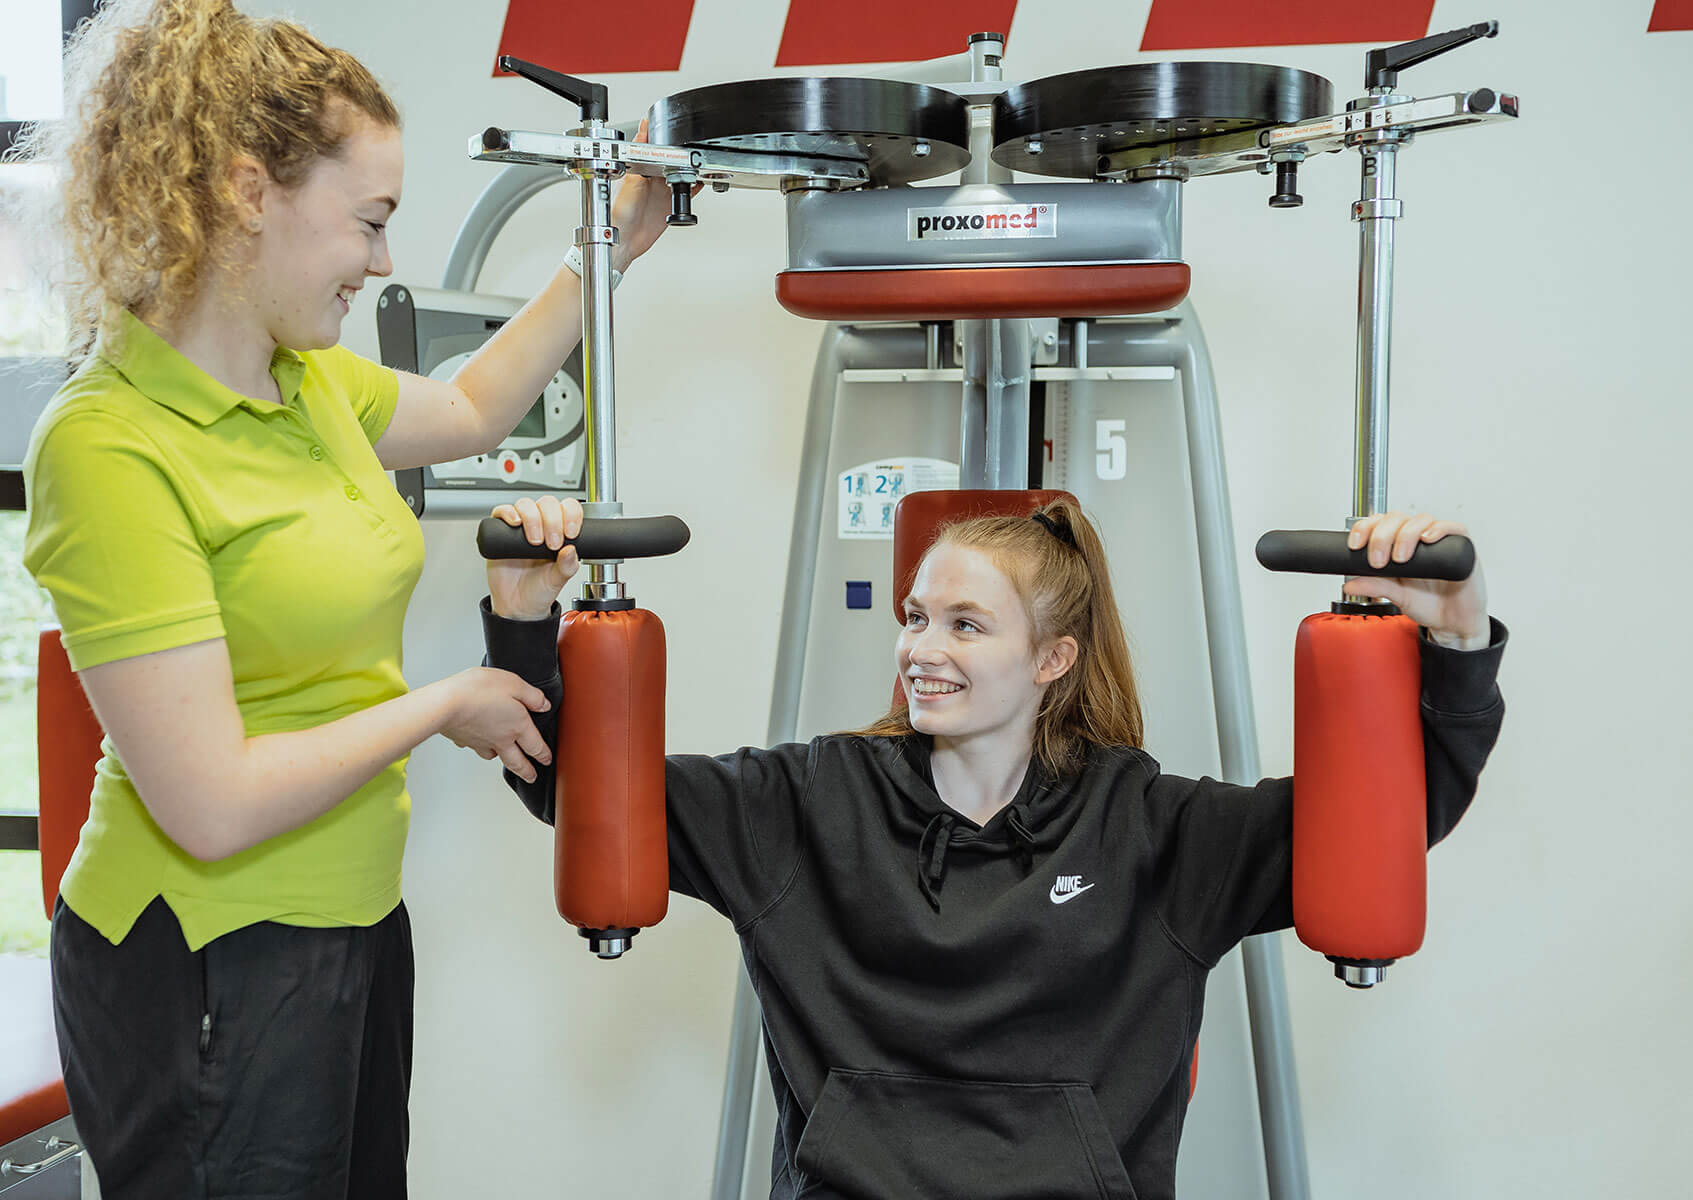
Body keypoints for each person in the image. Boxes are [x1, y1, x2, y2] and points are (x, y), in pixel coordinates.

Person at [14, 1, 681, 1194]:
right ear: (246, 192)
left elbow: (478, 406)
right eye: (369, 223)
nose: (382, 262)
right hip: (204, 960)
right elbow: (210, 805)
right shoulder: (109, 444)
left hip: (354, 927)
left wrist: (612, 245)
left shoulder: (304, 382)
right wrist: (441, 707)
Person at [481, 494, 1507, 1199]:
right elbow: (582, 796)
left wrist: (1454, 640)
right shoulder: (807, 804)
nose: (922, 650)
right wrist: (523, 620)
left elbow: (1383, 825)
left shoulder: (1156, 832)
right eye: (917, 617)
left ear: (1052, 658)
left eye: (967, 626)